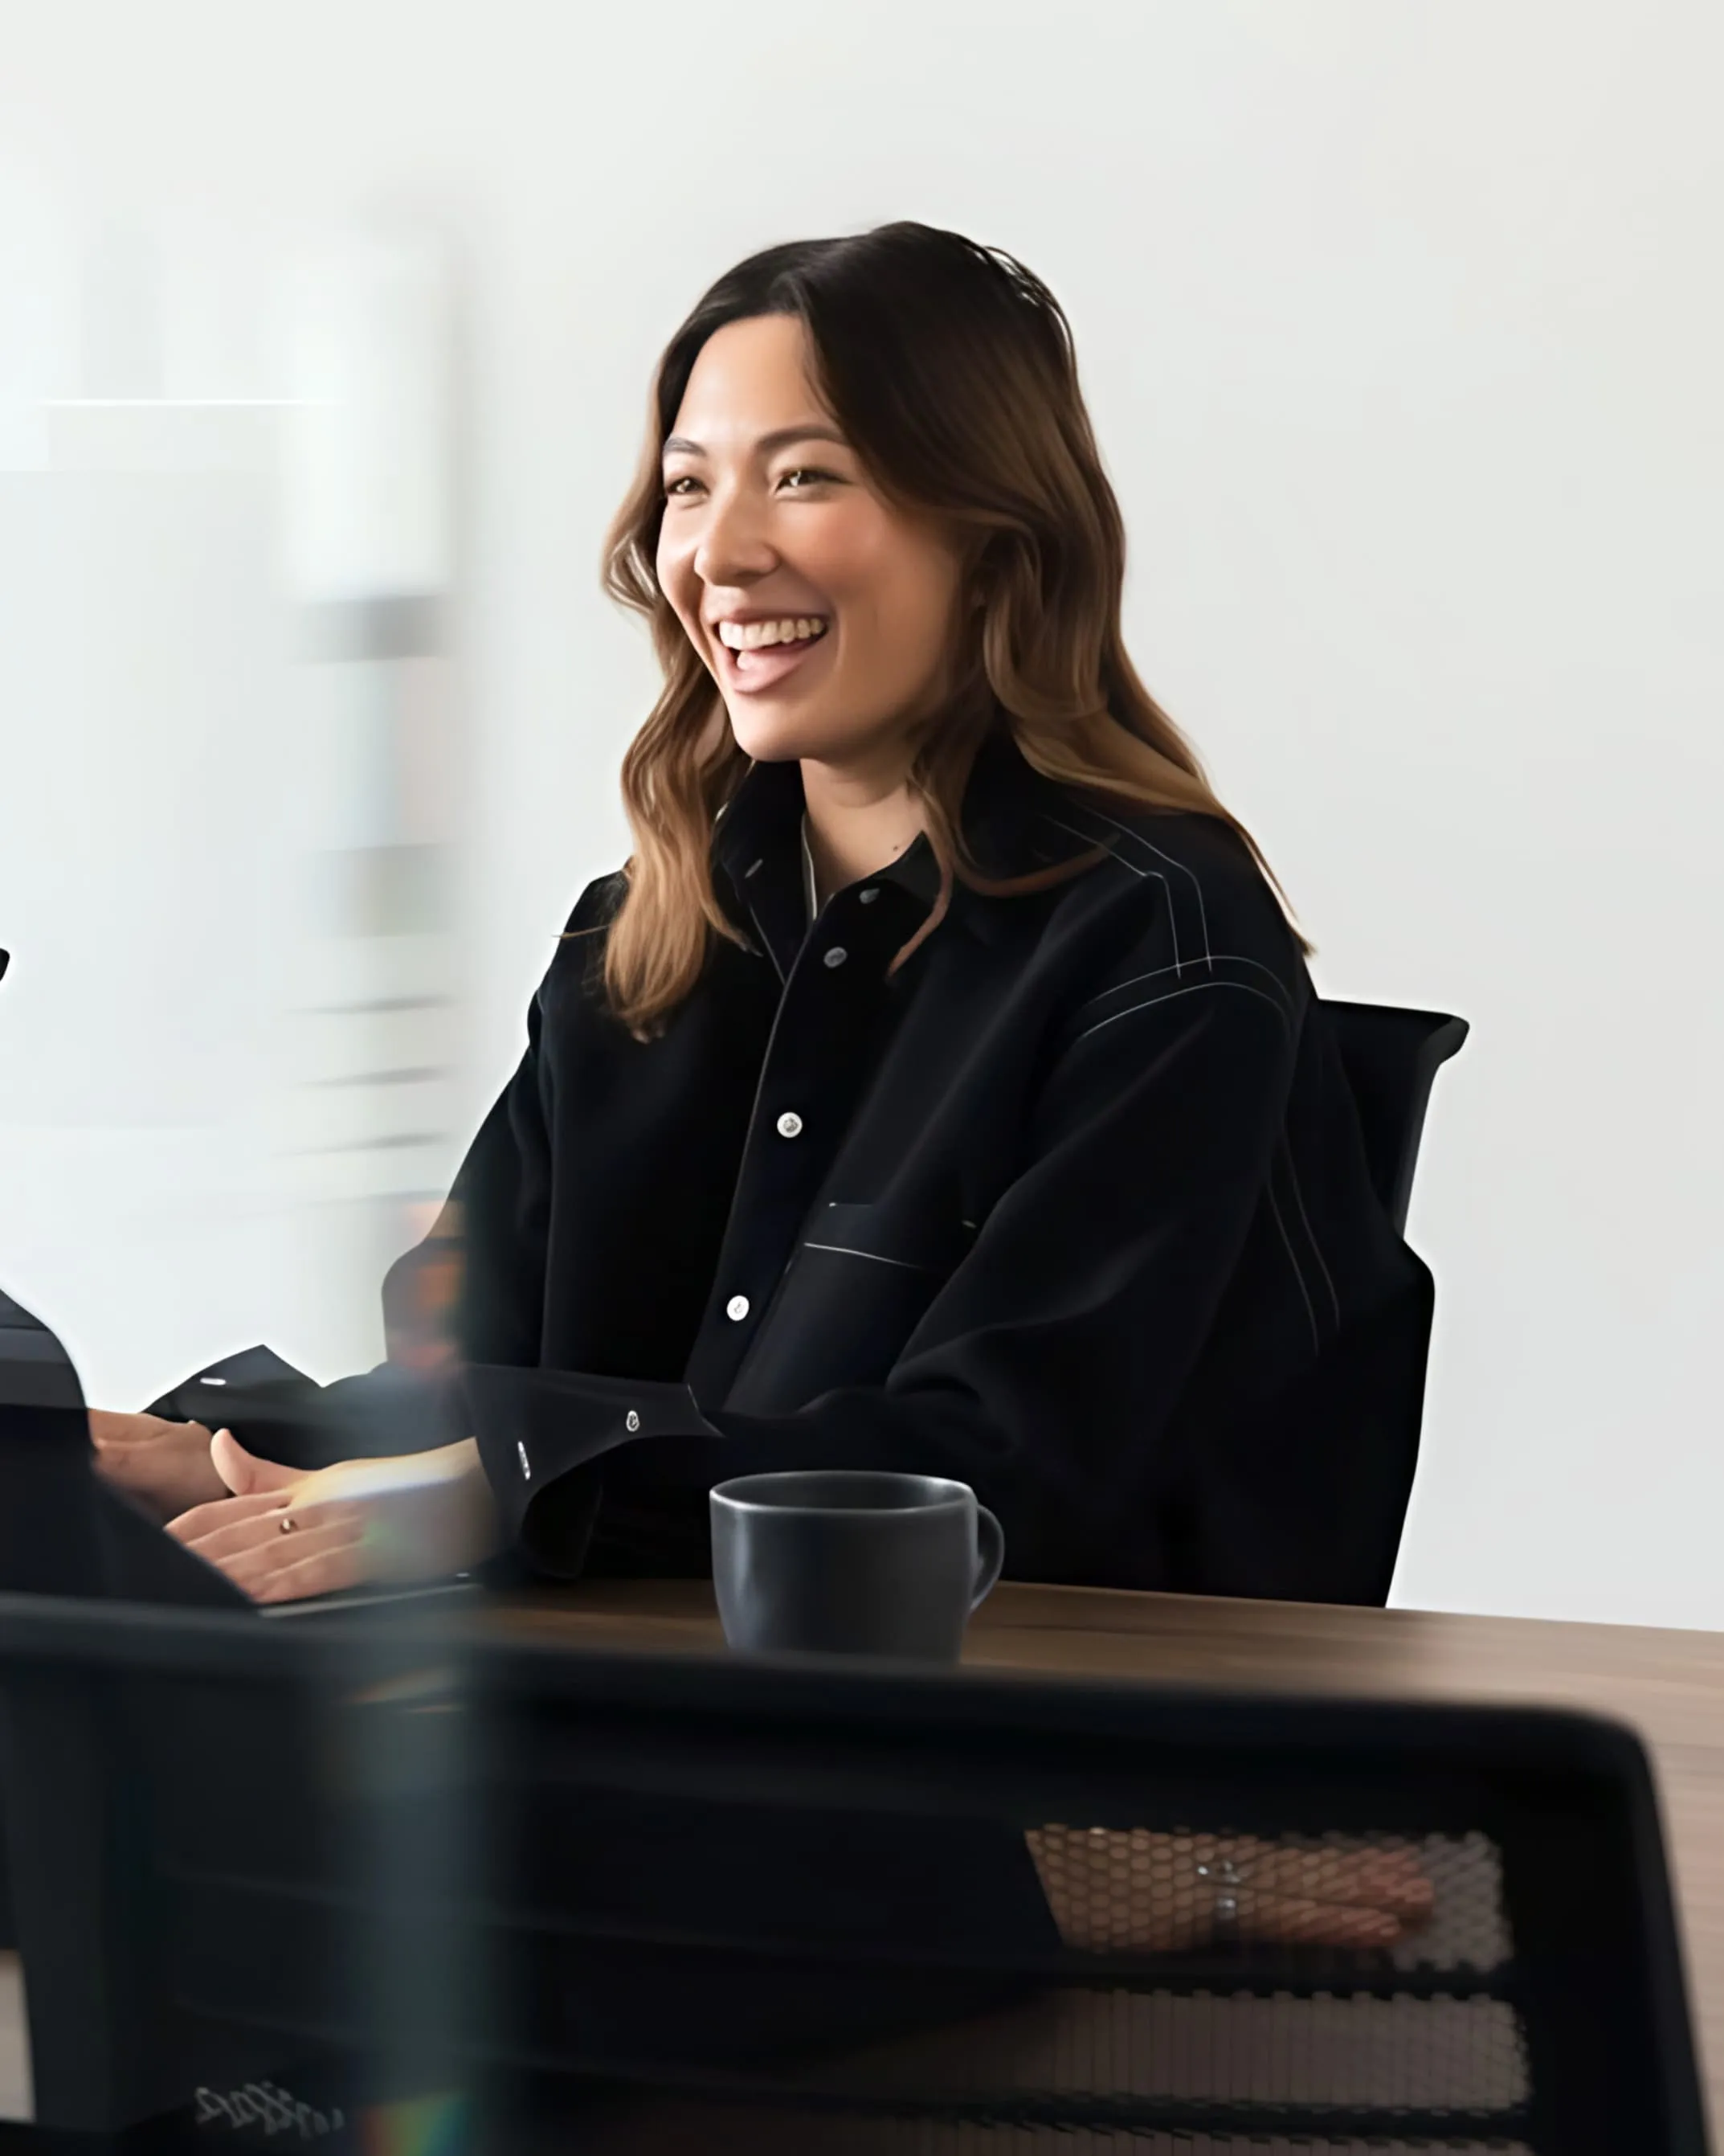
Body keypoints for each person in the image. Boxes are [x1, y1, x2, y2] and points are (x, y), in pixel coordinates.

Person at [92, 221, 1434, 1616]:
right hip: (641, 1721)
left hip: (1024, 1775)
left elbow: (995, 1469)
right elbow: (466, 1379)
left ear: (990, 532)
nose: (719, 555)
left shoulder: (1166, 945)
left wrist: (507, 1489)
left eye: (804, 477)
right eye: (687, 486)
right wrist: (208, 1452)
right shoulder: (637, 941)